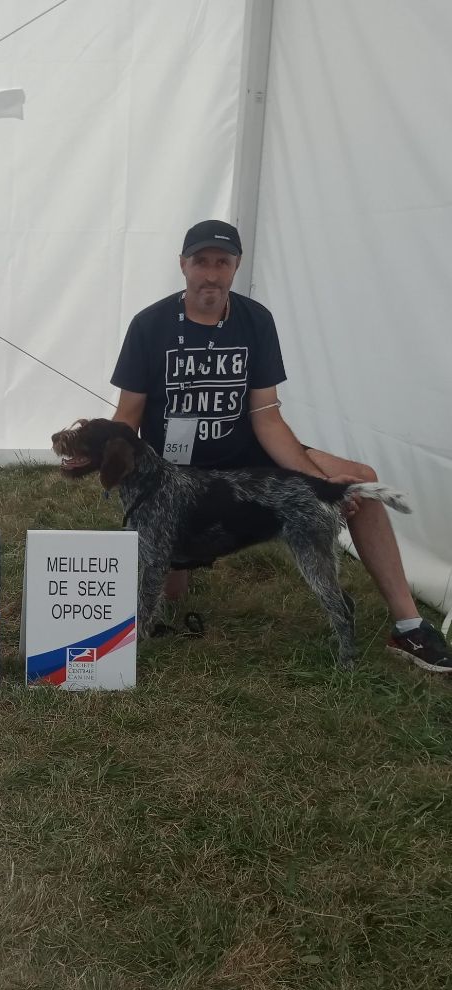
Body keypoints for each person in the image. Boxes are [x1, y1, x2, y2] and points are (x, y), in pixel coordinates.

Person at [109, 219, 451, 672]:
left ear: (236, 267)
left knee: (361, 481)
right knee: (171, 593)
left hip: (245, 456)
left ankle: (408, 626)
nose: (210, 274)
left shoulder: (256, 320)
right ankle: (184, 563)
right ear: (182, 265)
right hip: (179, 474)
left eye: (222, 263)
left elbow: (267, 418)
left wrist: (319, 483)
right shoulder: (148, 325)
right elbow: (127, 416)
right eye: (200, 261)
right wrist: (113, 464)